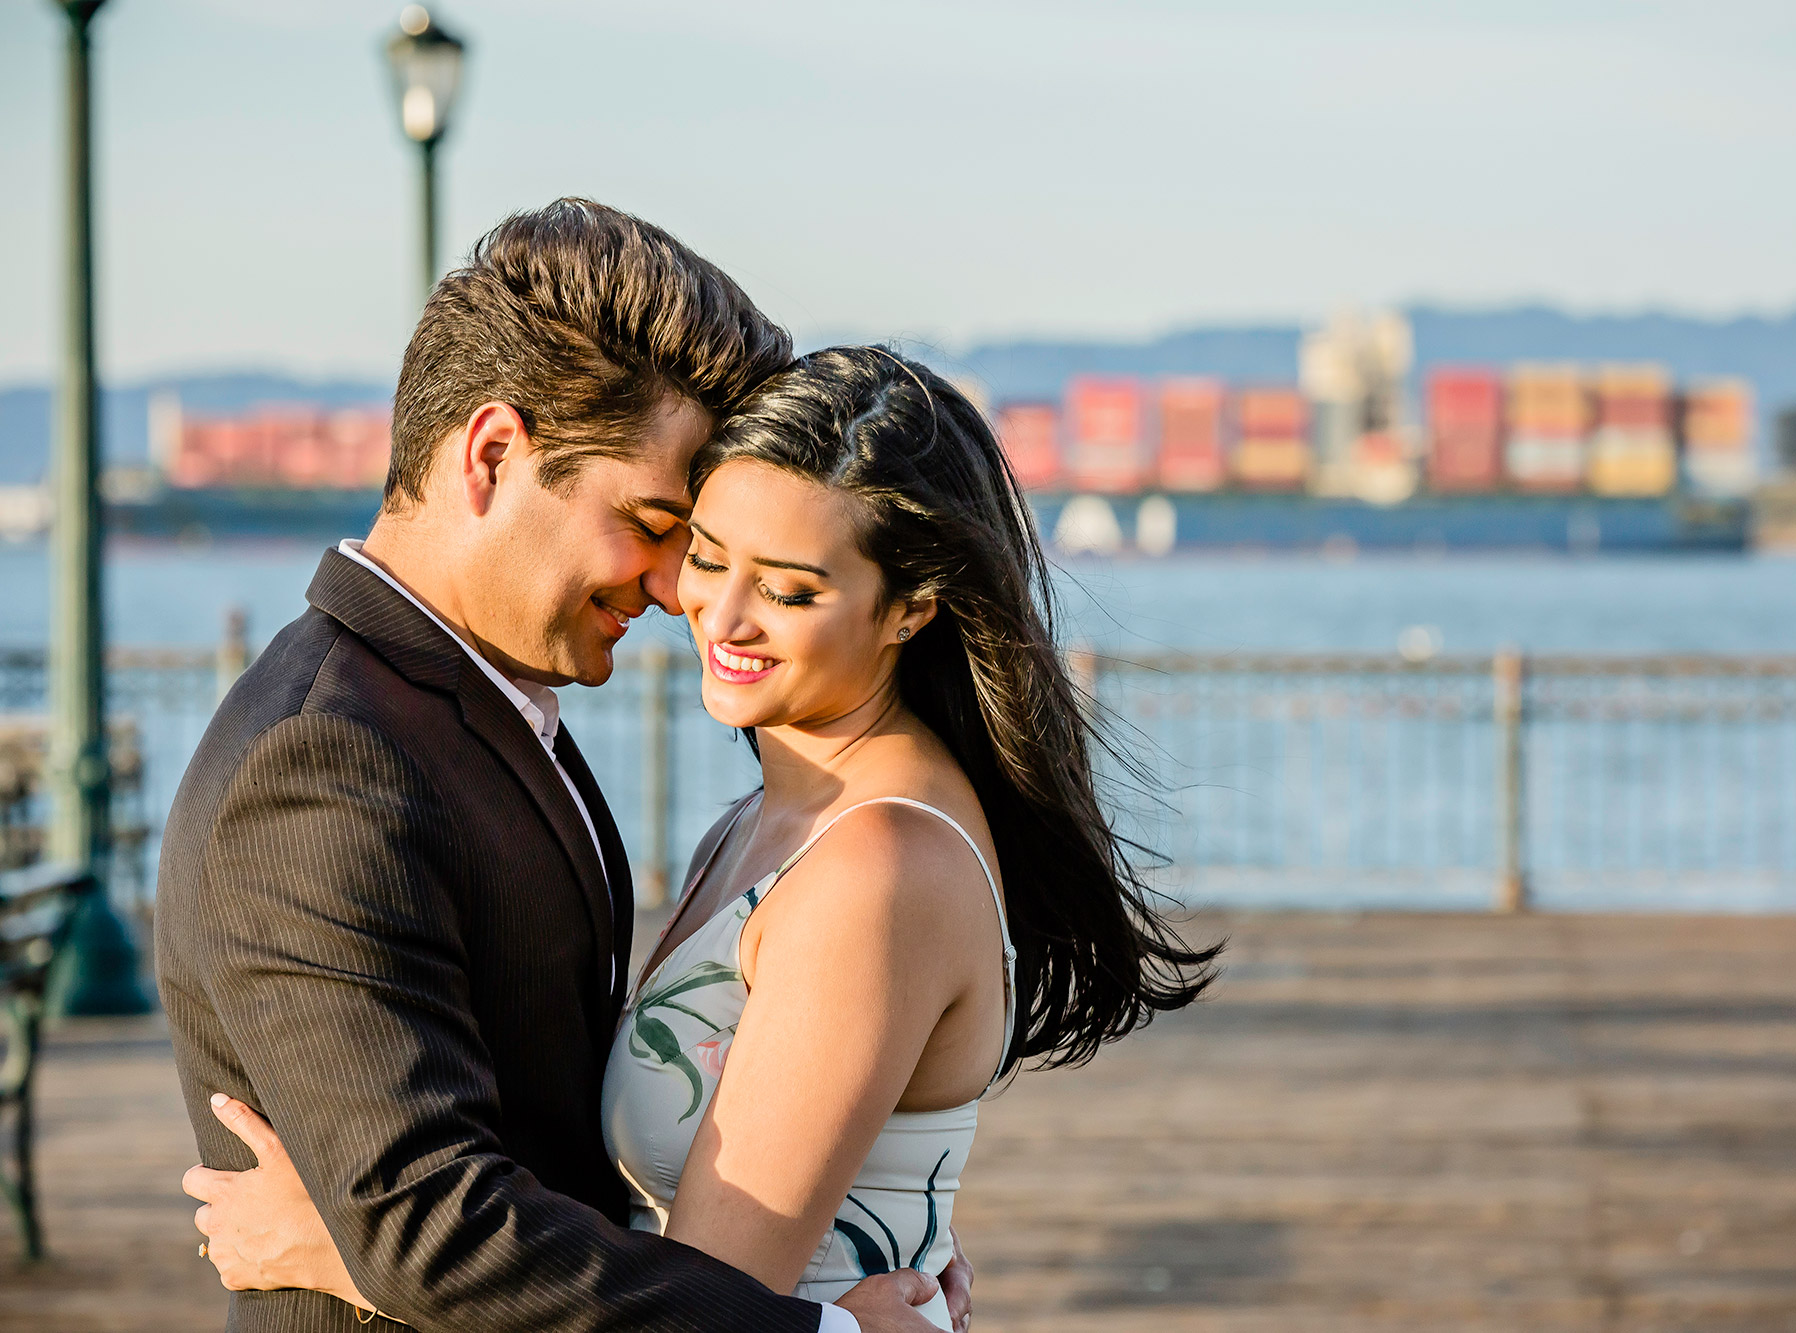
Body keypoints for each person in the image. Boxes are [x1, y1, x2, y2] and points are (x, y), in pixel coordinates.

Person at [180, 343, 1221, 1328]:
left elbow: (713, 1305)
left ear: (909, 608)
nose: (719, 617)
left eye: (789, 590)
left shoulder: (875, 868)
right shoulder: (773, 817)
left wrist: (339, 1249)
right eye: (708, 557)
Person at [160, 200, 967, 1333]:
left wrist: (881, 1219)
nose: (668, 584)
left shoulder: (477, 708)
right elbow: (428, 1224)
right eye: (651, 521)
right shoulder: (325, 759)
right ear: (492, 454)